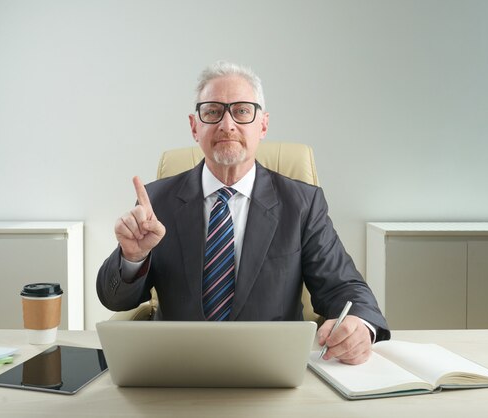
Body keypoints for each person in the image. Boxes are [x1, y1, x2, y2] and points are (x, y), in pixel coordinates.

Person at [97, 61, 390, 365]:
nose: (227, 125)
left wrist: (360, 326)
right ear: (194, 126)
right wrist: (132, 258)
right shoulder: (156, 201)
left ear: (262, 124)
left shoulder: (301, 203)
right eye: (212, 111)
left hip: (271, 367)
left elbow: (344, 286)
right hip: (178, 368)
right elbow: (116, 299)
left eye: (241, 111)